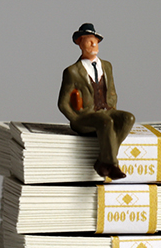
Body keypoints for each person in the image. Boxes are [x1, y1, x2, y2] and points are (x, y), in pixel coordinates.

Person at [58, 23, 136, 180]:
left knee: (128, 118)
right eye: (88, 41)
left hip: (106, 109)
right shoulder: (72, 71)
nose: (94, 44)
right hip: (86, 116)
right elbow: (62, 103)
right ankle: (113, 164)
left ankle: (102, 160)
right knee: (105, 121)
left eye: (96, 41)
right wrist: (76, 120)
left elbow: (112, 90)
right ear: (80, 43)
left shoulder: (107, 66)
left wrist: (112, 106)